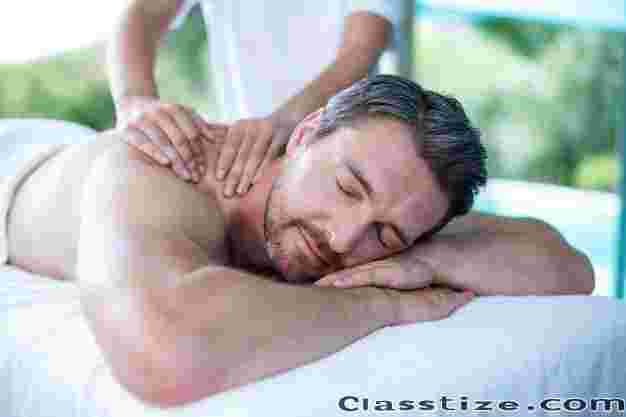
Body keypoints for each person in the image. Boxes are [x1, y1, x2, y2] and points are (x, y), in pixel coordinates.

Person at [0, 76, 593, 407]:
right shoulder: (162, 172)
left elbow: (568, 269)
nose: (341, 236)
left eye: (385, 235)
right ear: (306, 133)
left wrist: (423, 259)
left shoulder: (391, 204)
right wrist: (380, 305)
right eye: (347, 187)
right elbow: (161, 355)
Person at [107, 0, 404, 199]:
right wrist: (134, 99)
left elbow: (359, 50)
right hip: (245, 153)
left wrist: (289, 122)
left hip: (335, 152)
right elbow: (144, 12)